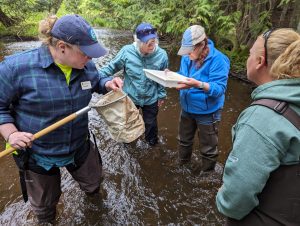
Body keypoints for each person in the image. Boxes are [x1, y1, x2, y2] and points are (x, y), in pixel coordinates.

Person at [0, 14, 123, 224]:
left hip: (79, 146)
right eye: (86, 53)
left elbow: (96, 80)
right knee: (45, 209)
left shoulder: (86, 65)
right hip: (38, 155)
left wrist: (107, 84)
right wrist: (11, 134)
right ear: (62, 46)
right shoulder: (14, 69)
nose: (90, 59)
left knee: (93, 186)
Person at [216, 28, 300, 225]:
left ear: (260, 61)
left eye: (250, 53)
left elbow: (236, 198)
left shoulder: (261, 118)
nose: (248, 58)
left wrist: (223, 198)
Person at [98, 22, 169, 146]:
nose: (152, 44)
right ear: (138, 41)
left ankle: (152, 146)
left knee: (151, 125)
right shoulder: (127, 52)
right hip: (131, 97)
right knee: (128, 124)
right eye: (148, 42)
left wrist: (161, 95)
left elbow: (162, 77)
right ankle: (130, 144)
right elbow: (111, 67)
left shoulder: (162, 55)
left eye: (153, 40)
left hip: (151, 98)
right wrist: (94, 76)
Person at [173, 25, 230, 173]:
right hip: (187, 108)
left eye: (190, 50)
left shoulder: (219, 59)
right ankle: (182, 165)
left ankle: (207, 174)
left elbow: (219, 89)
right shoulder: (187, 57)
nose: (188, 54)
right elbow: (183, 75)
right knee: (184, 140)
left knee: (208, 147)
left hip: (208, 112)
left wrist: (198, 84)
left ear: (202, 44)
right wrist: (172, 77)